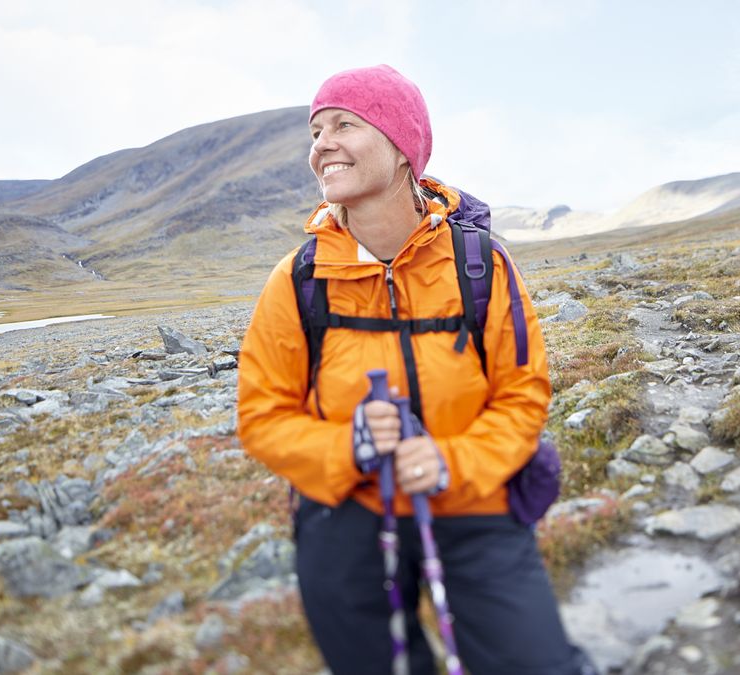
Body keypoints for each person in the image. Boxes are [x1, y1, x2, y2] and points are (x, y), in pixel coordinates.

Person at [237, 65, 593, 675]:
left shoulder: (479, 264)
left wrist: (452, 460)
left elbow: (521, 394)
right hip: (347, 513)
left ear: (403, 149)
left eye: (343, 124)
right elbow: (261, 416)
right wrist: (348, 444)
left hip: (472, 503)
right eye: (316, 131)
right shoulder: (298, 280)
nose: (322, 144)